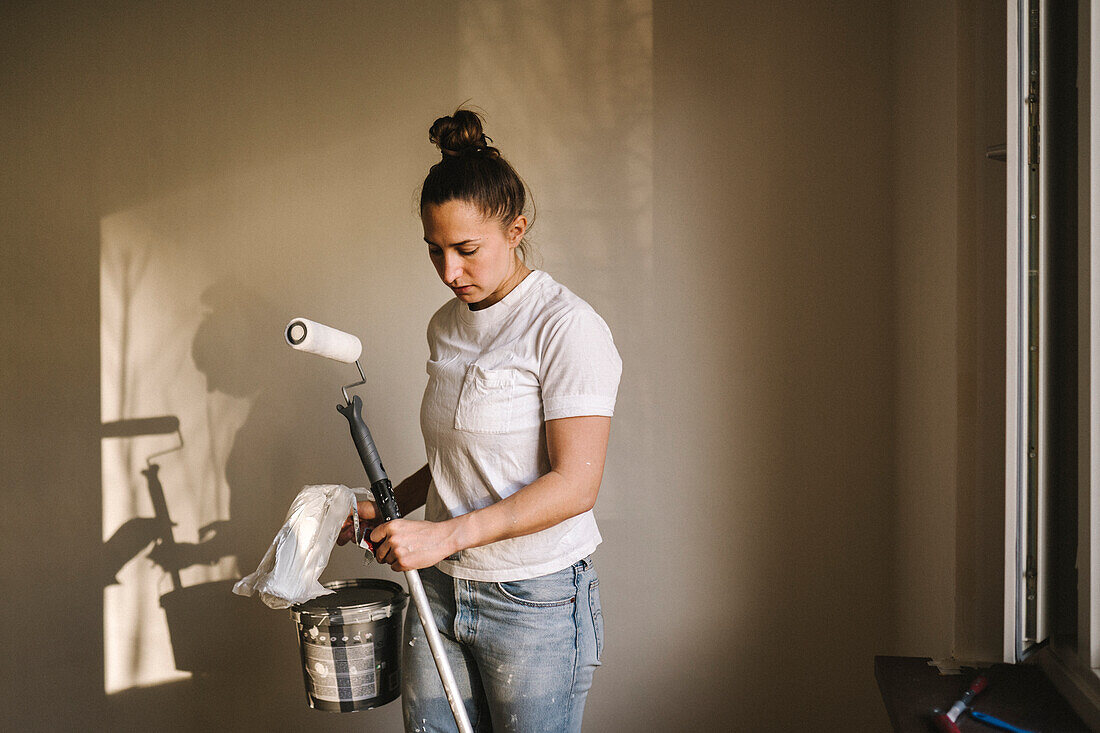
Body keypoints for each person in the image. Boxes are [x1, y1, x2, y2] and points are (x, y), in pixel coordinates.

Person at [337, 108, 622, 733]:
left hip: (533, 599)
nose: (448, 272)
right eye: (434, 251)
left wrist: (443, 536)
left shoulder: (566, 328)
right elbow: (459, 461)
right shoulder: (446, 324)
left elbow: (576, 486)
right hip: (438, 588)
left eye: (466, 250)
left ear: (515, 230)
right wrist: (391, 505)